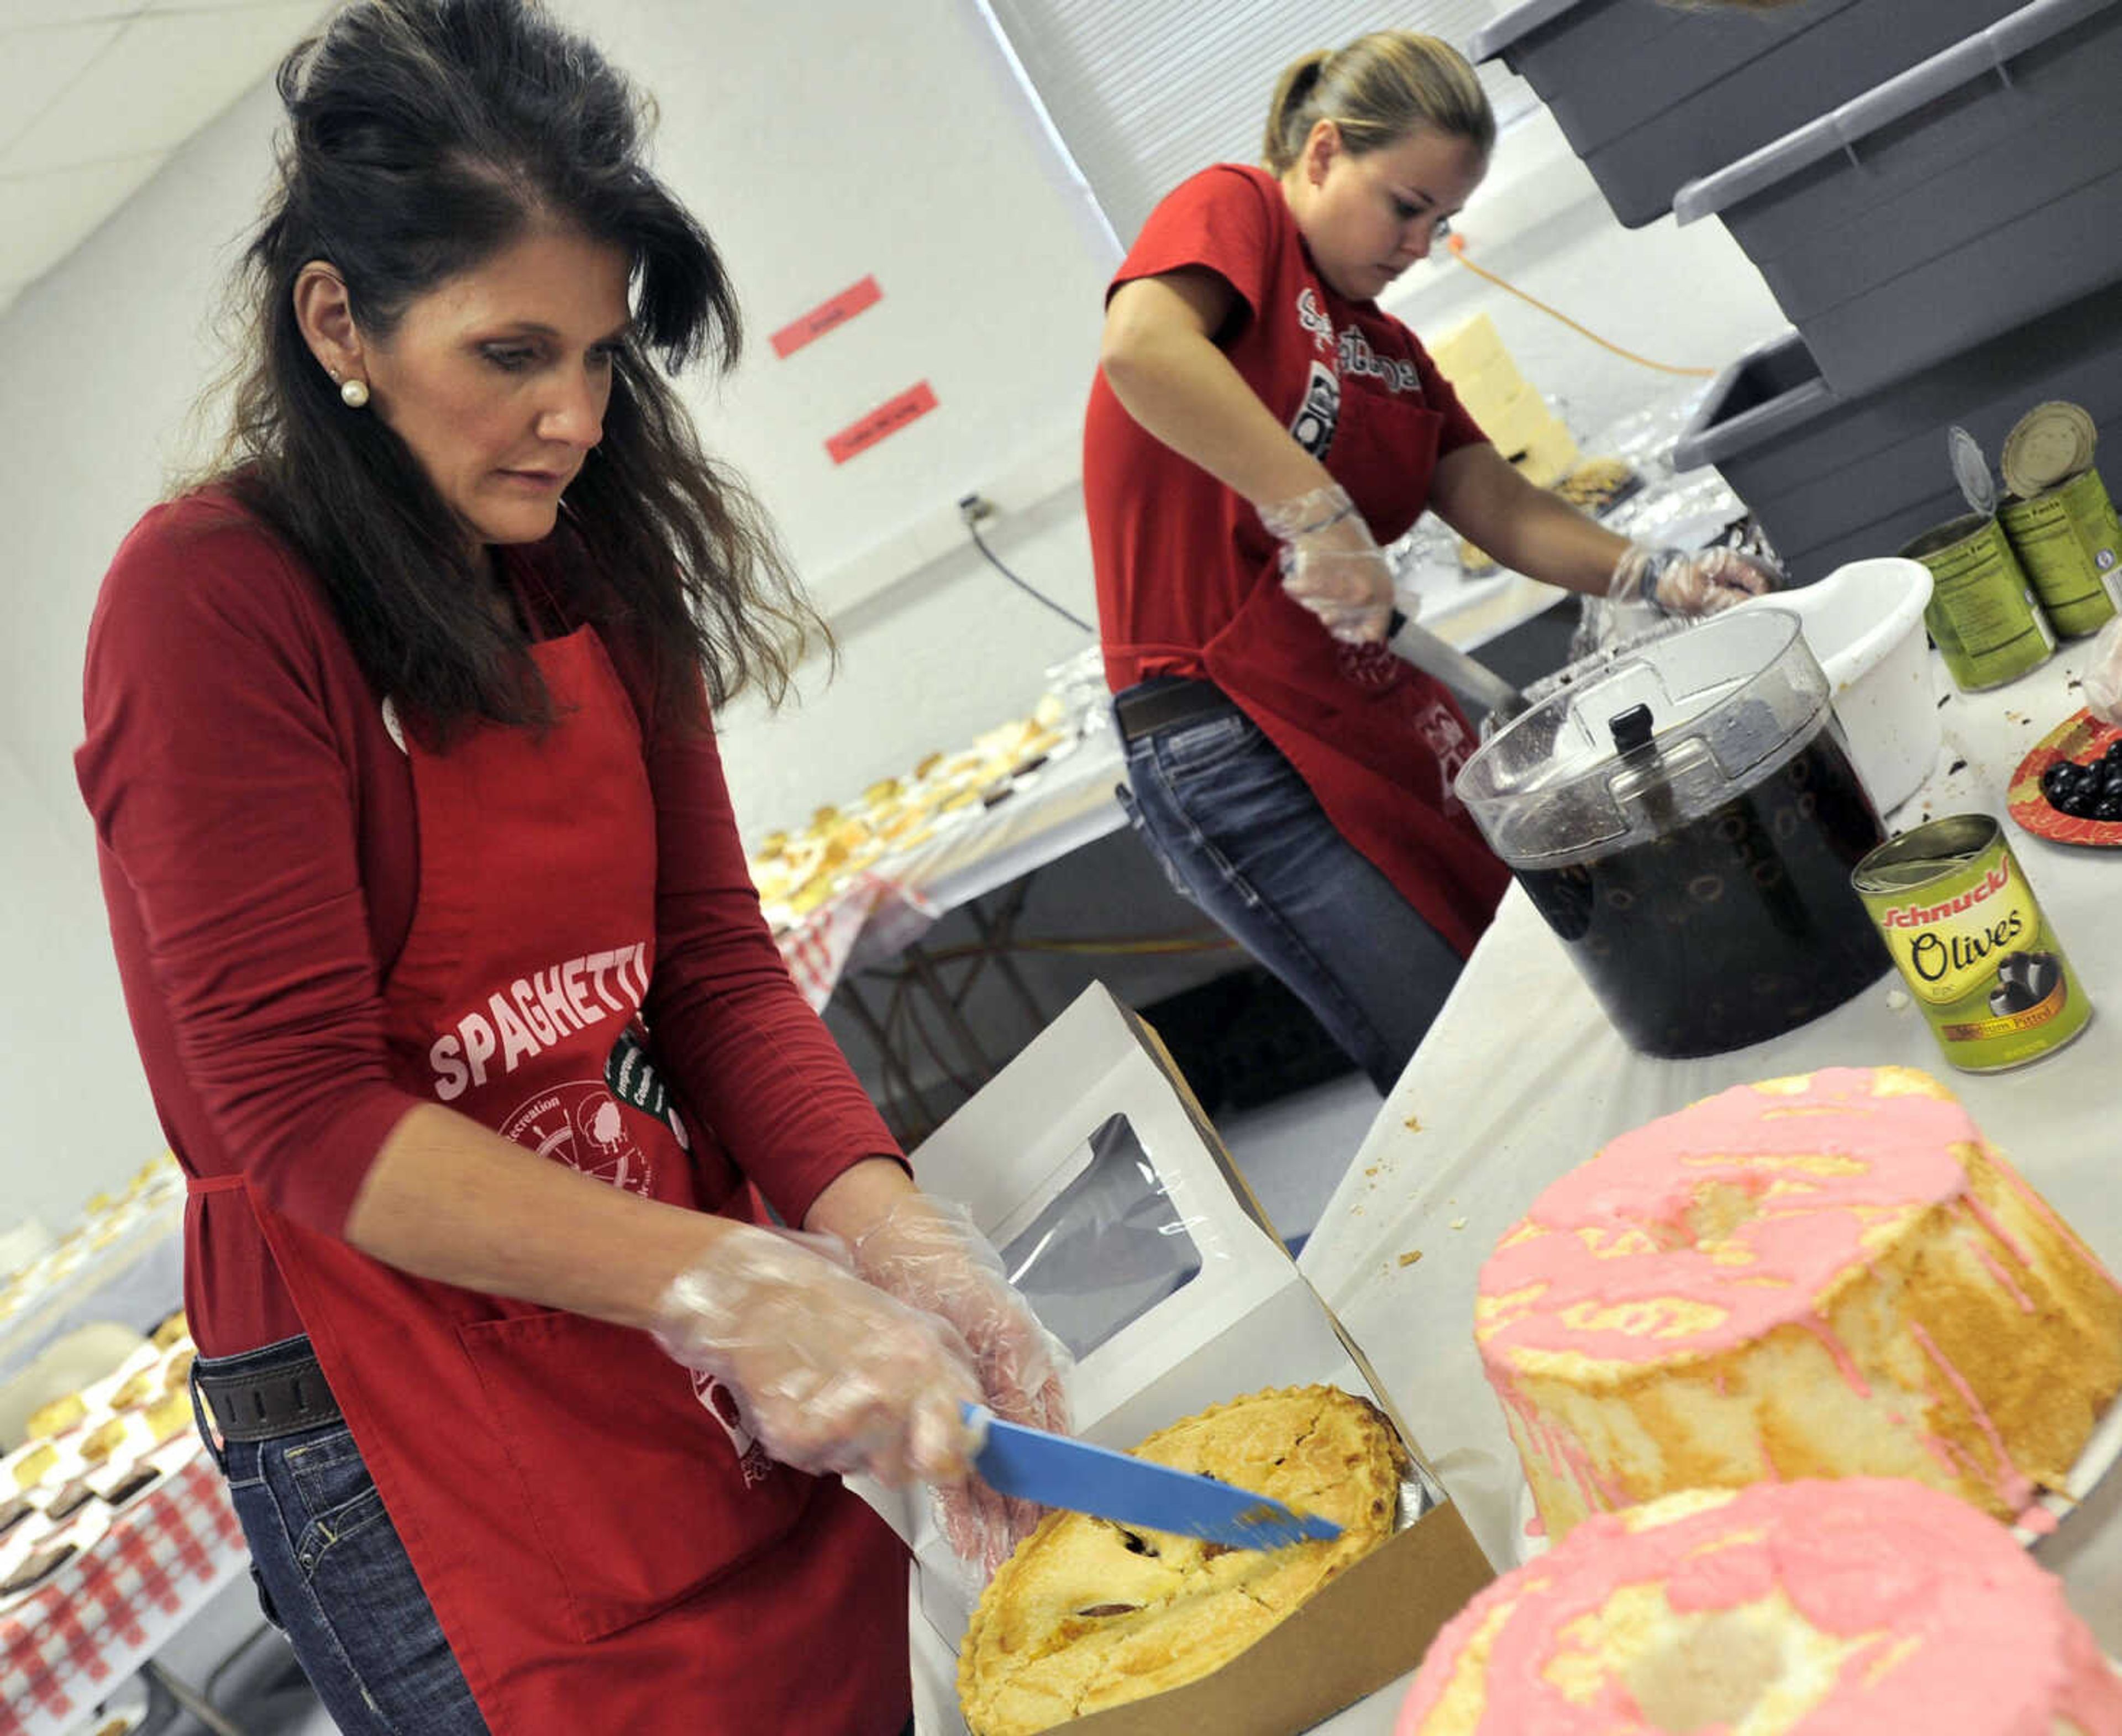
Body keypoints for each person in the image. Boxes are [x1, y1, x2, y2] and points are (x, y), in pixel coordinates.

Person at [72, 3, 1062, 1732]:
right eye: (512, 354)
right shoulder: (214, 601)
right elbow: (299, 1112)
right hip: (389, 1374)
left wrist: (889, 1229)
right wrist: (723, 1279)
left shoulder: (592, 553)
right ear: (340, 325)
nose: (574, 416)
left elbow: (705, 961)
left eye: (603, 356)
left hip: (637, 1267)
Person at [1082, 32, 1778, 1095]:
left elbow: (1495, 500)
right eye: (1405, 206)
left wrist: (1651, 573)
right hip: (1231, 739)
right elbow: (1141, 349)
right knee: (1461, 1062)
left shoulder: (1387, 353)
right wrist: (1314, 511)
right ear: (1321, 155)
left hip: (1361, 715)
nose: (1419, 243)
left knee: (1547, 1008)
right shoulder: (1239, 216)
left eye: (1442, 223)